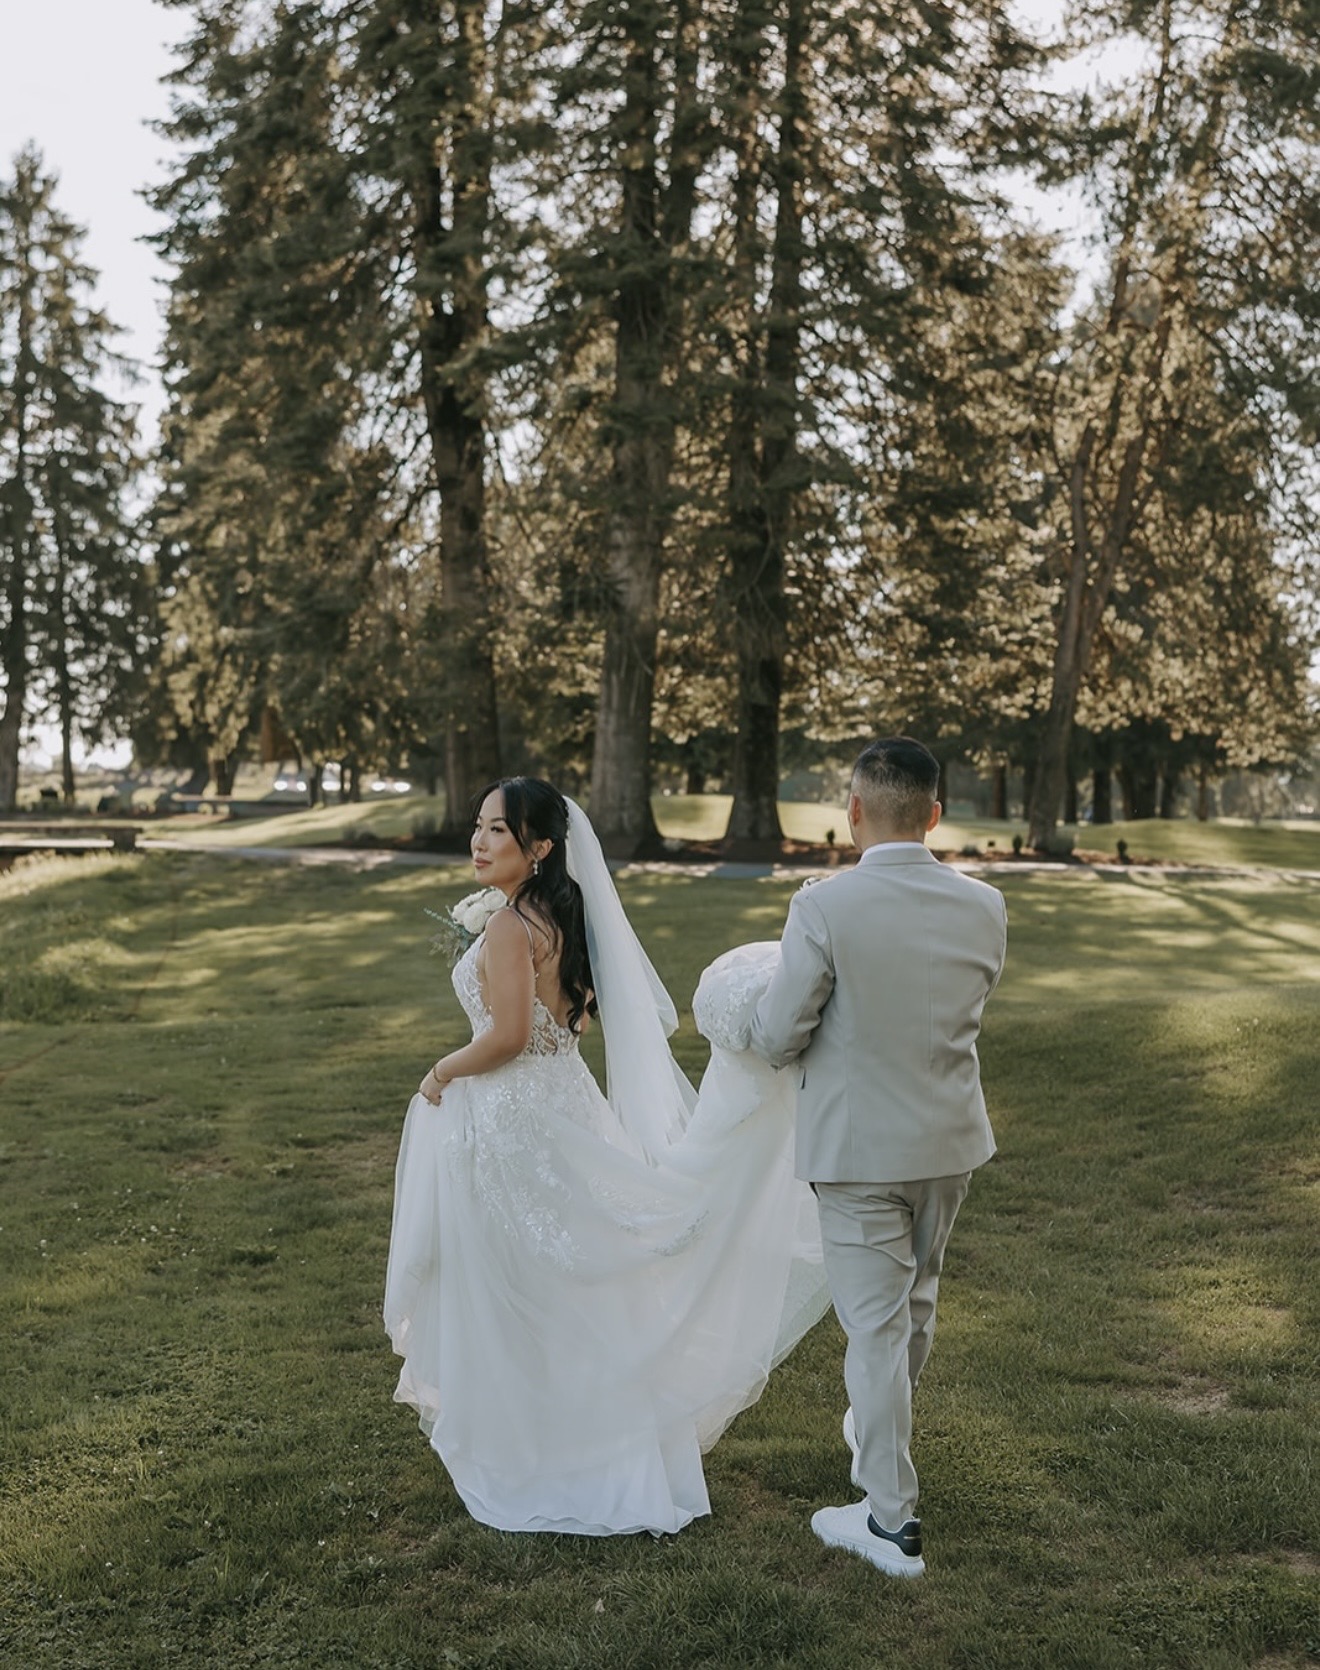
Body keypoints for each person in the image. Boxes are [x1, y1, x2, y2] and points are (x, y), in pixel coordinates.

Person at [384, 777, 829, 1536]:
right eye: (479, 827)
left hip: (518, 1114)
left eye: (498, 830)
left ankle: (553, 1448)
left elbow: (509, 1037)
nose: (480, 842)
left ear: (541, 847)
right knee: (568, 1277)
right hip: (562, 1101)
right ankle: (593, 1434)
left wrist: (441, 1071)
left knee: (525, 1279)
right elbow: (574, 1018)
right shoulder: (557, 911)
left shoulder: (507, 927)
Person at [749, 737, 1007, 1578]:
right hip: (950, 1142)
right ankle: (877, 1427)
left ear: (853, 811)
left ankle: (891, 1524)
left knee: (875, 1330)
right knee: (914, 1309)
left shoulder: (825, 907)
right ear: (935, 814)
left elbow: (784, 1031)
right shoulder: (986, 905)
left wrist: (748, 1025)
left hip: (861, 1152)